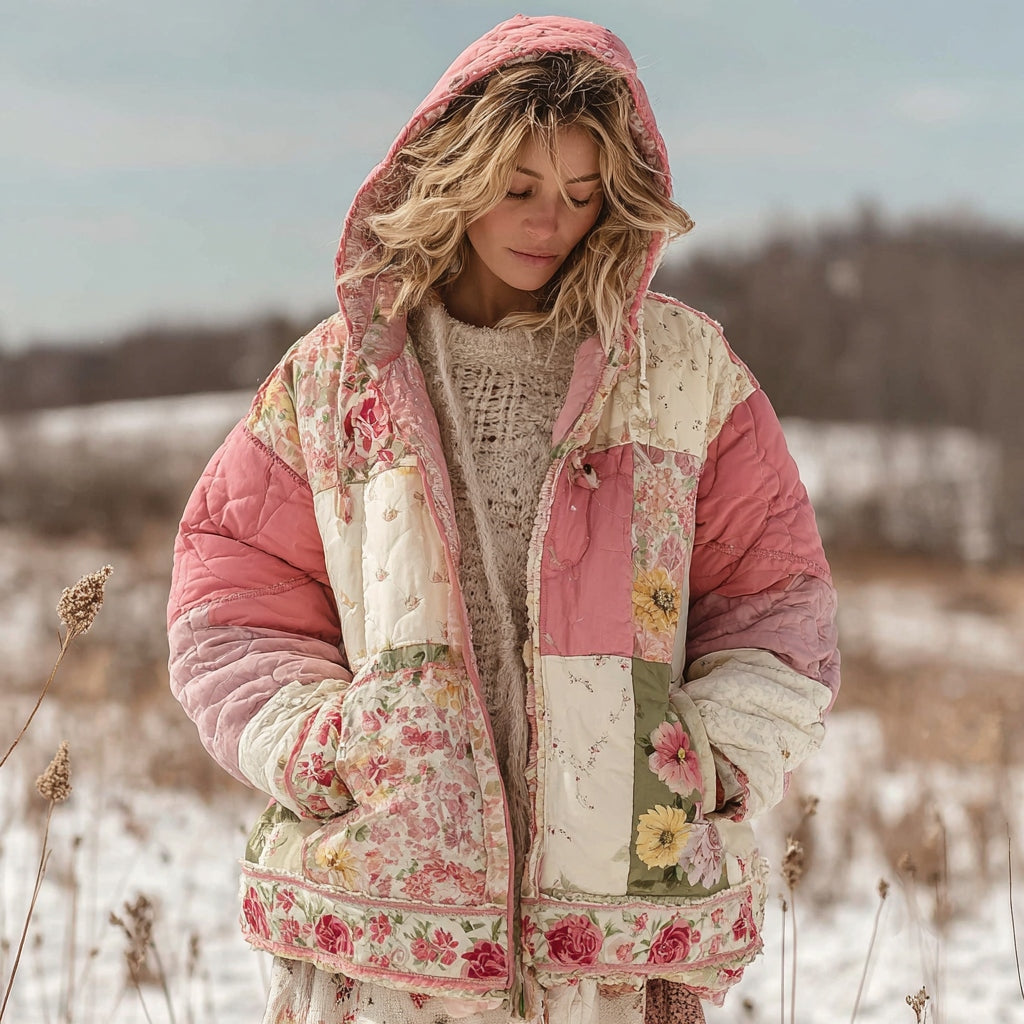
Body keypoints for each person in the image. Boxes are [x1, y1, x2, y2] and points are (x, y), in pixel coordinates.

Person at [167, 14, 839, 1024]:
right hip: (393, 930)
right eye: (518, 188)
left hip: (618, 936)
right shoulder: (333, 380)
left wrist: (709, 760)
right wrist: (325, 747)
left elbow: (776, 601)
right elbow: (230, 599)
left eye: (579, 194)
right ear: (455, 175)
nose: (547, 222)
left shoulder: (684, 373)